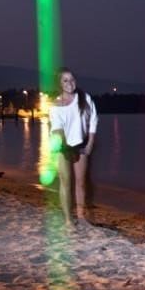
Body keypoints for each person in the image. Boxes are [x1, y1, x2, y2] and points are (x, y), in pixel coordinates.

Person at [49, 67, 98, 224]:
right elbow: (56, 127)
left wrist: (90, 143)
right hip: (64, 147)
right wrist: (58, 139)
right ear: (60, 84)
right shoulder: (55, 106)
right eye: (65, 80)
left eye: (72, 79)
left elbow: (94, 120)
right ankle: (69, 220)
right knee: (65, 182)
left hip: (81, 145)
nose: (70, 83)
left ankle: (81, 216)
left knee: (81, 182)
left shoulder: (84, 98)